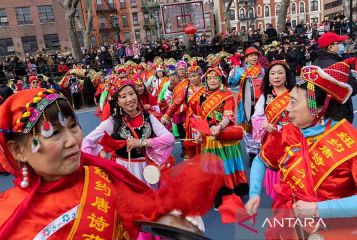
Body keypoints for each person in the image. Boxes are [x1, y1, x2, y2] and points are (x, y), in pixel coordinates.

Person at [0, 88, 224, 239]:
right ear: (18, 150)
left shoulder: (102, 175)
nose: (72, 141)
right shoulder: (8, 218)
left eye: (73, 126)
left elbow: (144, 210)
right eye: (54, 133)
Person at [245, 58, 357, 239]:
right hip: (290, 221)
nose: (287, 109)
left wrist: (318, 209)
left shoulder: (350, 142)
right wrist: (254, 194)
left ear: (317, 108)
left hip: (334, 228)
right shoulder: (287, 132)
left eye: (293, 102)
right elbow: (260, 159)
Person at [82, 79, 174, 185]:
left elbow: (169, 138)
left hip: (148, 169)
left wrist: (141, 142)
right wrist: (98, 164)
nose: (129, 99)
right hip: (124, 171)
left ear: (136, 95)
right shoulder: (113, 122)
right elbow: (87, 141)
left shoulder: (148, 117)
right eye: (123, 96)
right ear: (117, 102)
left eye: (131, 94)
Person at [191, 68, 248, 209]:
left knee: (227, 167)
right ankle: (217, 195)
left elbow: (228, 116)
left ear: (220, 79)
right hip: (209, 139)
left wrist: (219, 127)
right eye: (209, 78)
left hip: (224, 137)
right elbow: (200, 118)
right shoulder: (202, 97)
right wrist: (199, 133)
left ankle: (229, 194)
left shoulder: (226, 95)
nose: (212, 80)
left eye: (215, 78)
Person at [251, 60, 295, 196]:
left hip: (293, 140)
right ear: (268, 78)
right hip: (273, 141)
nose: (276, 77)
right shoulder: (265, 97)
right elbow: (256, 118)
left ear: (286, 76)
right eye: (273, 74)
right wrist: (264, 124)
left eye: (280, 73)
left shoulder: (295, 94)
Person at [161, 65, 205, 159]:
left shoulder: (206, 89)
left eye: (194, 75)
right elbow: (176, 103)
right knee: (192, 142)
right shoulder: (186, 90)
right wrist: (167, 115)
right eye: (190, 76)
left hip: (205, 121)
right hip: (190, 121)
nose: (192, 78)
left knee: (204, 145)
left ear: (200, 75)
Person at [314, 32, 357, 123]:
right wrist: (356, 80)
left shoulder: (315, 63)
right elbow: (352, 89)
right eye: (338, 43)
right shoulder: (339, 65)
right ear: (330, 47)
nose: (341, 45)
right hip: (340, 113)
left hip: (322, 113)